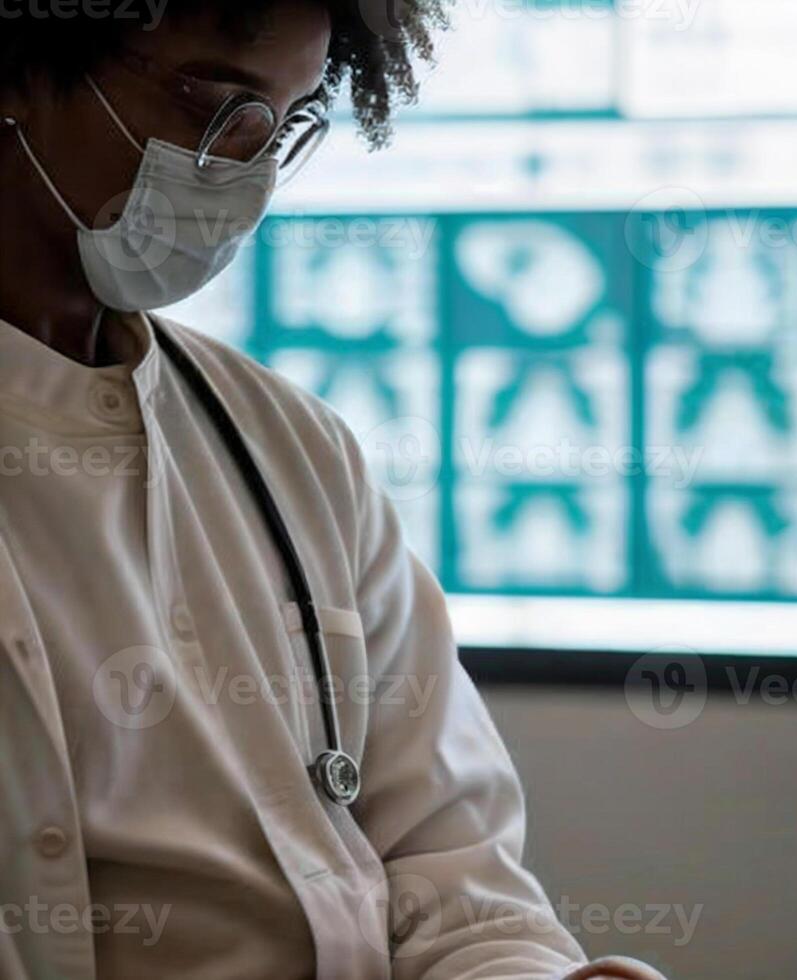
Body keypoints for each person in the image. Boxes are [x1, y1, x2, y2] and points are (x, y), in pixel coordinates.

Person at [0, 2, 664, 977]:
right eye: (215, 103)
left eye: (289, 122)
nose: (245, 169)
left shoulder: (294, 451)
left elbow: (456, 882)